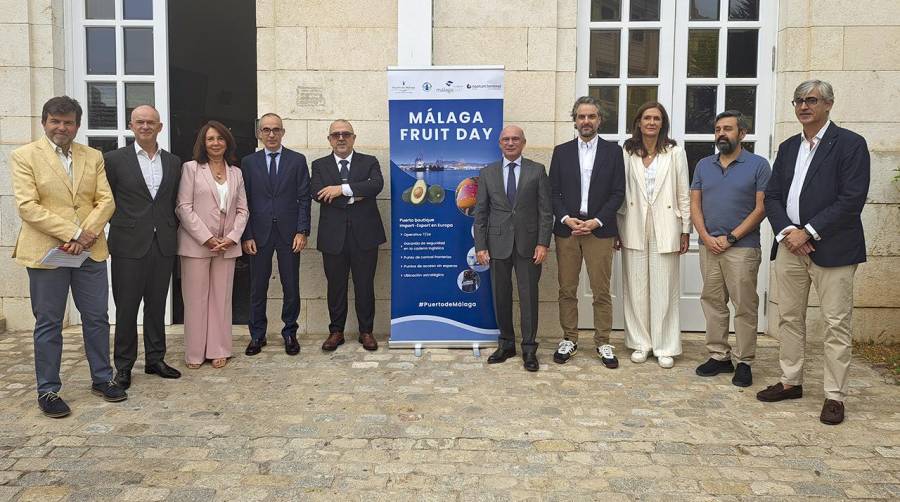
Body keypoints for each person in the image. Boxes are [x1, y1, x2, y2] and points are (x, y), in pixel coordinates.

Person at [756, 79, 870, 425]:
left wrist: (810, 231)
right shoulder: (789, 146)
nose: (804, 106)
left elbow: (851, 199)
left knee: (836, 323)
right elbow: (772, 196)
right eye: (799, 101)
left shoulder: (850, 144)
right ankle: (791, 381)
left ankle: (835, 396)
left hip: (834, 248)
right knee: (789, 318)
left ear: (828, 104)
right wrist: (789, 232)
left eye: (812, 100)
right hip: (790, 246)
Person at [11, 95, 125, 417]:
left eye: (68, 122)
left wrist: (85, 235)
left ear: (77, 124)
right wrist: (73, 234)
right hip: (49, 252)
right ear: (44, 122)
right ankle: (48, 390)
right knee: (48, 323)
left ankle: (102, 378)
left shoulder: (93, 156)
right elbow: (27, 206)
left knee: (97, 318)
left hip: (89, 252)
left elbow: (106, 200)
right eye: (55, 121)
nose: (62, 127)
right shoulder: (24, 157)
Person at [105, 105, 183, 390]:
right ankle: (123, 366)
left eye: (151, 122)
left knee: (156, 305)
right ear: (131, 126)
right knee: (126, 307)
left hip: (162, 243)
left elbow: (173, 201)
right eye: (140, 122)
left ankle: (155, 359)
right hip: (128, 244)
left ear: (160, 127)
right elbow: (105, 199)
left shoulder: (174, 162)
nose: (146, 126)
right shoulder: (113, 160)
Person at [690, 110, 771, 387]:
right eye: (717, 129)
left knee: (744, 305)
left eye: (728, 129)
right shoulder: (703, 165)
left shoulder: (759, 165)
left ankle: (745, 360)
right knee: (713, 302)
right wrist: (705, 236)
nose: (721, 134)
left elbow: (761, 208)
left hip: (742, 248)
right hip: (708, 246)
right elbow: (695, 205)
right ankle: (719, 355)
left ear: (742, 134)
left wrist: (732, 238)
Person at [549, 96, 625, 368]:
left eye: (591, 116)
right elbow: (553, 192)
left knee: (601, 290)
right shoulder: (561, 152)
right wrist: (568, 218)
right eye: (581, 117)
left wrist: (596, 221)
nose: (586, 121)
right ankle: (569, 338)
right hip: (568, 230)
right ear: (575, 120)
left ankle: (603, 341)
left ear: (599, 120)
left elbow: (618, 193)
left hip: (599, 231)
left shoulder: (614, 152)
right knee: (567, 288)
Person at [474, 125, 553, 372]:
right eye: (506, 139)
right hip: (497, 245)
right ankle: (506, 344)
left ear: (523, 143)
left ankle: (529, 348)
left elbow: (545, 211)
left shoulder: (537, 170)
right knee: (501, 296)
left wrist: (543, 242)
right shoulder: (487, 172)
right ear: (499, 143)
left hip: (529, 245)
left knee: (529, 297)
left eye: (515, 139)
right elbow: (481, 213)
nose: (510, 143)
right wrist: (480, 246)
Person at [617, 102, 691, 369]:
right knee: (635, 288)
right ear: (638, 121)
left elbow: (684, 192)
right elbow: (619, 192)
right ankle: (640, 343)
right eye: (646, 117)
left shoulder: (674, 152)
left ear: (663, 123)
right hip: (633, 224)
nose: (651, 122)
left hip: (667, 225)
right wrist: (615, 228)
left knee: (665, 289)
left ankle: (665, 346)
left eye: (656, 118)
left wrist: (685, 229)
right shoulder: (627, 152)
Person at [175, 120, 249, 369]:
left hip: (226, 246)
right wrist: (206, 237)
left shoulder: (236, 173)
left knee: (222, 299)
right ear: (203, 143)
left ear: (227, 141)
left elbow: (243, 210)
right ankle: (195, 352)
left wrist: (232, 237)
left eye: (220, 138)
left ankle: (219, 348)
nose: (215, 143)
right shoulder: (191, 169)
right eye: (210, 139)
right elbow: (183, 207)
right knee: (196, 300)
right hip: (197, 245)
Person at [311, 120, 386, 352]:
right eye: (336, 135)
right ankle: (336, 331)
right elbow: (318, 193)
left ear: (353, 138)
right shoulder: (320, 165)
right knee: (335, 286)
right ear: (329, 140)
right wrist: (356, 193)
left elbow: (376, 186)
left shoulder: (369, 161)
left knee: (365, 285)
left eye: (345, 134)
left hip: (365, 235)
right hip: (333, 236)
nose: (340, 138)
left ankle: (366, 331)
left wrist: (341, 190)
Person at [241, 113, 310, 357]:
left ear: (283, 132)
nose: (271, 134)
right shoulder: (248, 162)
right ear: (259, 133)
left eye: (276, 129)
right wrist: (246, 234)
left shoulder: (297, 160)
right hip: (258, 235)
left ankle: (290, 332)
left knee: (291, 285)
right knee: (257, 287)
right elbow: (244, 201)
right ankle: (257, 335)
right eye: (266, 130)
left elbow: (304, 199)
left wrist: (302, 231)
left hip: (289, 234)